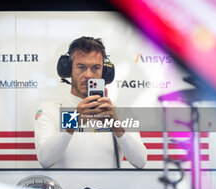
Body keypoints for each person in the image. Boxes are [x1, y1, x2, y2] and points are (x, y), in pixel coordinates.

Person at [34, 36, 147, 169]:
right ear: (69, 69)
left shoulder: (120, 113)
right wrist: (74, 121)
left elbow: (141, 162)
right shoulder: (49, 109)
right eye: (81, 67)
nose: (88, 75)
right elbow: (45, 160)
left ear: (104, 72)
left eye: (95, 68)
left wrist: (116, 126)